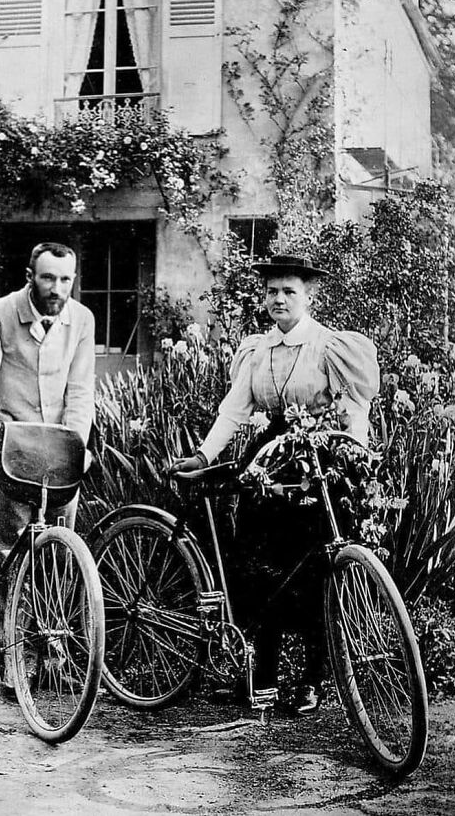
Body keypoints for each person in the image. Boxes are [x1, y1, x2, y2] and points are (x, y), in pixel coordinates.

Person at [172, 253, 379, 713]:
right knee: (254, 568)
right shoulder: (257, 350)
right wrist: (205, 454)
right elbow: (234, 409)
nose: (279, 299)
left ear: (309, 296)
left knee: (314, 572)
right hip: (268, 463)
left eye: (289, 291)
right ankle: (260, 679)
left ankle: (311, 681)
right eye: (272, 292)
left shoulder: (330, 348)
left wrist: (354, 453)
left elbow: (355, 410)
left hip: (318, 463)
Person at [0, 242, 96, 676]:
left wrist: (79, 446)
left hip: (54, 451)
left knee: (57, 552)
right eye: (48, 278)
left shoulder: (81, 321)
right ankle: (13, 655)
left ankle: (54, 657)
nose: (57, 288)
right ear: (30, 275)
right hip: (7, 447)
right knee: (11, 551)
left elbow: (80, 390)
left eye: (66, 279)